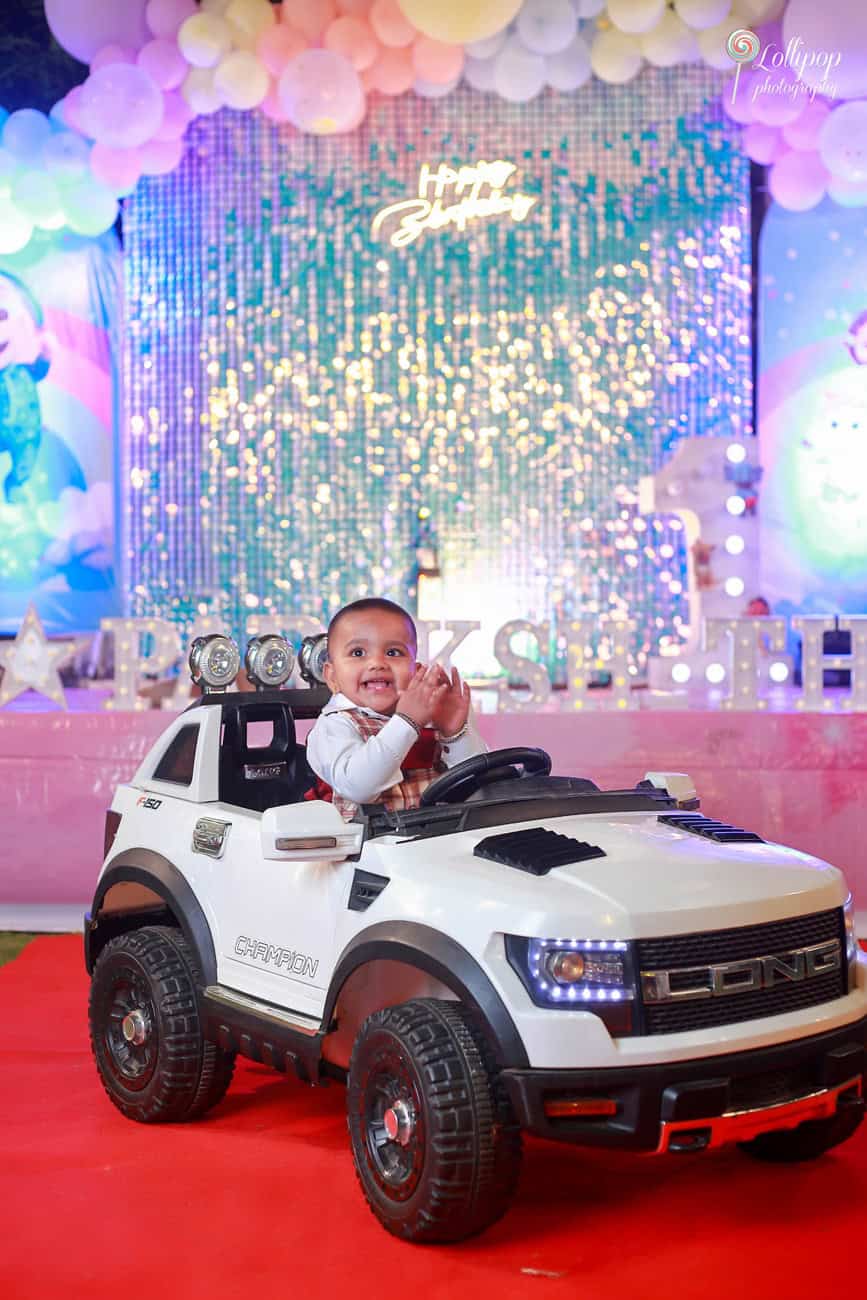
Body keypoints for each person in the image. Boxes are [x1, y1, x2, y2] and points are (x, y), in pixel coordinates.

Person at [306, 597, 487, 819]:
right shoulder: (334, 725)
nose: (377, 663)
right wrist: (407, 721)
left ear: (416, 670)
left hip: (438, 839)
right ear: (332, 676)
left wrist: (454, 733)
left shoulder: (430, 718)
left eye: (393, 653)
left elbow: (477, 785)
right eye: (358, 653)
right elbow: (358, 786)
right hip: (367, 849)